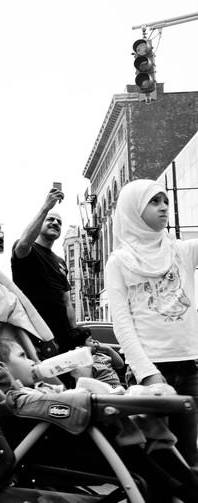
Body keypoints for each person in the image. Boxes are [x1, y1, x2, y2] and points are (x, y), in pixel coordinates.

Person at [0, 338, 198, 502]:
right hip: (71, 452)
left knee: (155, 454)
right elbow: (74, 406)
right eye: (23, 356)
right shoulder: (18, 400)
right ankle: (179, 488)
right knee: (150, 469)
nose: (32, 361)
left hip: (94, 444)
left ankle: (184, 486)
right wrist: (83, 378)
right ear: (3, 367)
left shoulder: (37, 390)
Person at [105, 179, 198, 467]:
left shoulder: (181, 251)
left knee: (189, 461)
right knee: (159, 463)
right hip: (152, 372)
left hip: (190, 367)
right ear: (134, 209)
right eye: (154, 201)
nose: (164, 207)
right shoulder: (119, 262)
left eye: (166, 201)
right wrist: (147, 373)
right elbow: (122, 324)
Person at [11, 188, 77, 351]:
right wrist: (46, 207)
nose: (55, 223)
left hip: (62, 338)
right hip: (36, 336)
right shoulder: (27, 250)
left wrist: (75, 333)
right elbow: (24, 244)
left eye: (59, 222)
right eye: (51, 219)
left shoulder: (60, 262)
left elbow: (67, 302)